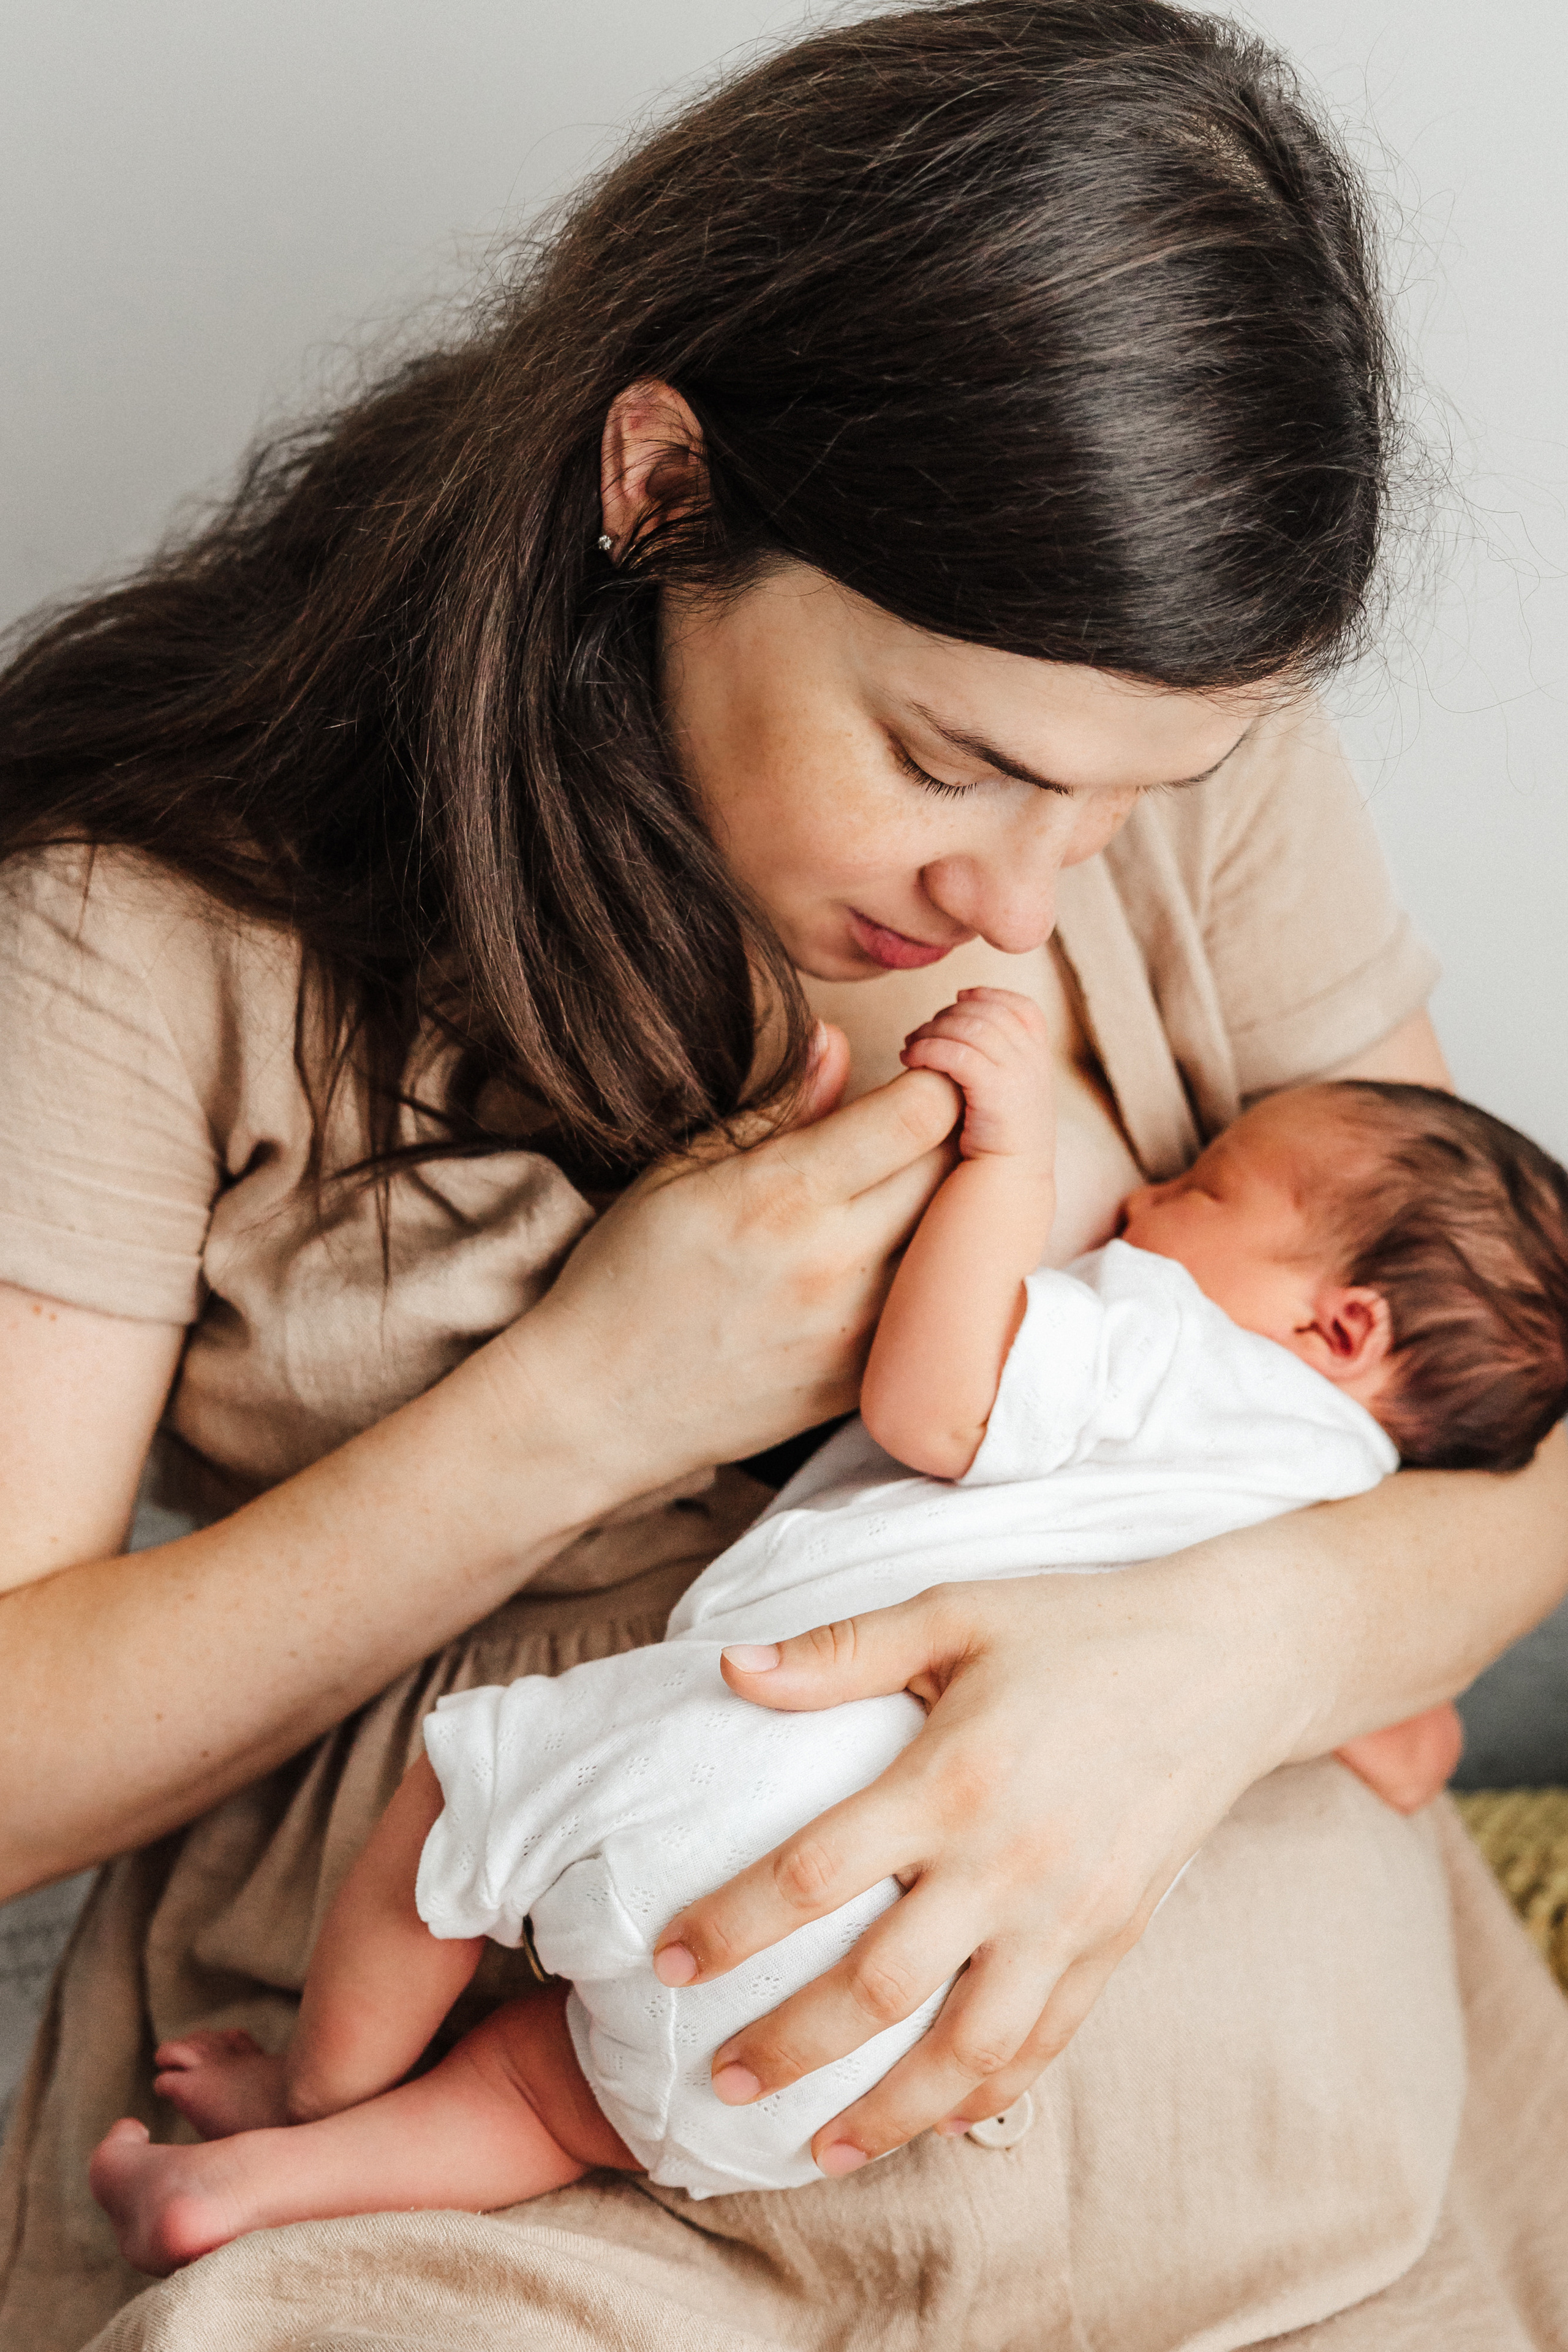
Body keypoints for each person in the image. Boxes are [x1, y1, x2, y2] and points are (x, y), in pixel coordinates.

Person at [3, 4, 1567, 2347]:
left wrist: (1217, 1660)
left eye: (1116, 817)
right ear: (658, 488)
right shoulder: (138, 935)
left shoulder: (1156, 719)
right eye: (950, 764)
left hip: (1290, 2182)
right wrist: (580, 1408)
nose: (1034, 904)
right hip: (544, 2141)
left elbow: (1517, 1431)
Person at [87, 1029, 1568, 2267]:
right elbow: (1408, 1746)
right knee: (551, 2106)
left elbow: (936, 1403)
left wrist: (1008, 1170)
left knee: (457, 1801)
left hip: (758, 1764)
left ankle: (307, 2094)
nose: (1149, 1205)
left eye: (1203, 1187)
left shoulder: (1178, 1349)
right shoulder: (1342, 1509)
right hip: (883, 2033)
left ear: (1338, 1326)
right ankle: (244, 2202)